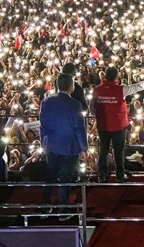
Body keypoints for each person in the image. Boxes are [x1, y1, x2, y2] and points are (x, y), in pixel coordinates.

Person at [90, 67, 144, 183]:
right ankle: (120, 174)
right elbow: (140, 86)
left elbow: (92, 110)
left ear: (104, 76)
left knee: (103, 150)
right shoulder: (121, 90)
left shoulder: (96, 90)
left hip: (102, 126)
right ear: (117, 77)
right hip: (118, 127)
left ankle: (102, 175)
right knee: (118, 151)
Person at [39, 73, 88, 219]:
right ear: (71, 87)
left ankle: (44, 207)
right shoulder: (75, 105)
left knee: (50, 175)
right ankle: (63, 210)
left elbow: (42, 126)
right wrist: (84, 148)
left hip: (51, 145)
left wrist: (43, 144)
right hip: (69, 146)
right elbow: (79, 128)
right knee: (65, 178)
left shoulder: (46, 102)